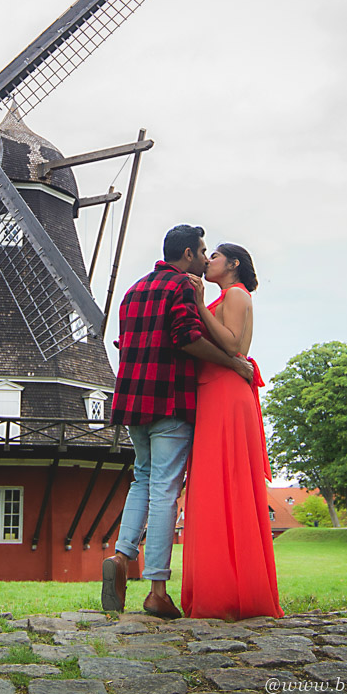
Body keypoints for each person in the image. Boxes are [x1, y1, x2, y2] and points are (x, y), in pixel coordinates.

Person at [103, 225, 254, 617]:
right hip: (170, 401)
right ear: (187, 254)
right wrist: (232, 363)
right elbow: (187, 337)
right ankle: (156, 589)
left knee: (142, 479)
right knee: (165, 490)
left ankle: (120, 557)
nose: (206, 259)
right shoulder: (182, 287)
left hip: (133, 402)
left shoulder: (133, 291)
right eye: (203, 251)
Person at [180, 243, 283, 620]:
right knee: (212, 486)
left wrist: (201, 307)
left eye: (216, 257)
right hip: (215, 392)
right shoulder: (226, 296)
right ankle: (219, 586)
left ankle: (234, 590)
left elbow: (236, 345)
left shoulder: (236, 294)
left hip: (226, 392)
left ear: (234, 264)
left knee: (227, 483)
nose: (209, 261)